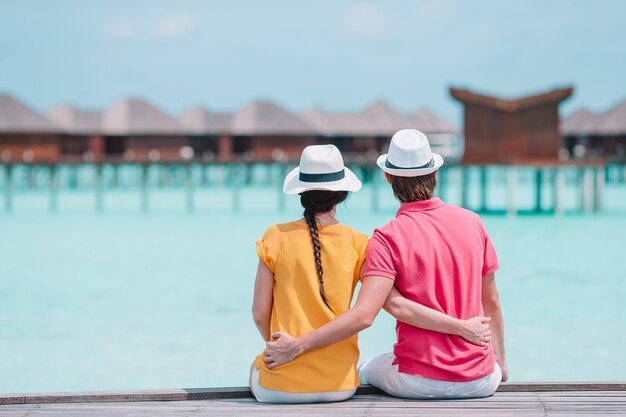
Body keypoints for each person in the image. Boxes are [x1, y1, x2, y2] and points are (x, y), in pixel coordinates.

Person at [263, 130, 507, 400]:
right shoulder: (473, 222)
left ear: (388, 177)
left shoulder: (387, 237)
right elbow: (492, 301)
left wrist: (297, 346)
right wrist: (500, 363)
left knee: (367, 369)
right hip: (482, 380)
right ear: (435, 174)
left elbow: (378, 310)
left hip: (418, 380)